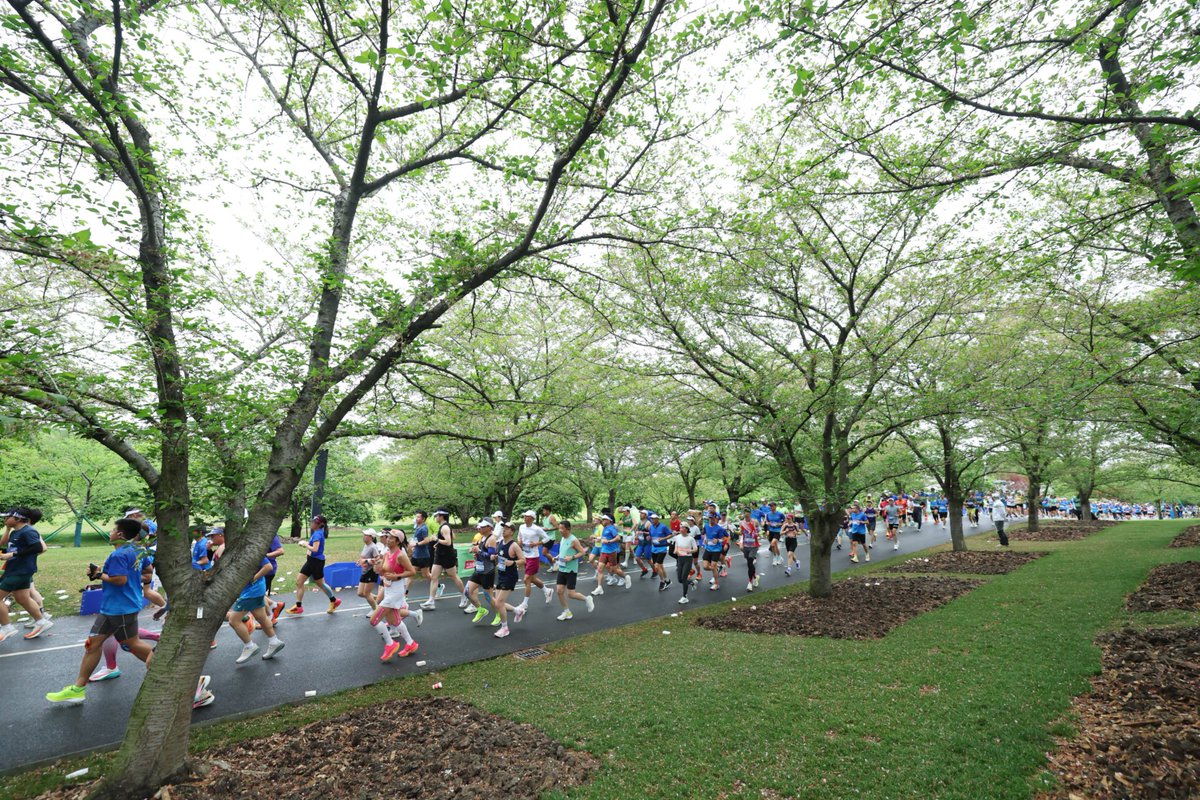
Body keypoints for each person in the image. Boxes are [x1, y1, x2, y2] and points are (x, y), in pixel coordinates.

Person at [46, 519, 155, 705]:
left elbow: (119, 579)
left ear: (120, 534)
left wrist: (98, 575)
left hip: (120, 608)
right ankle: (78, 689)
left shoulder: (119, 554)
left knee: (132, 645)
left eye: (113, 529)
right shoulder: (138, 550)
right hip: (115, 607)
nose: (110, 532)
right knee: (93, 645)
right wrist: (112, 575)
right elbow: (147, 571)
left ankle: (175, 673)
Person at [0, 507, 53, 641]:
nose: (5, 519)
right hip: (16, 570)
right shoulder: (14, 533)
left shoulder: (28, 531)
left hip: (20, 571)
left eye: (8, 517)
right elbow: (14, 549)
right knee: (22, 599)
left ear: (17, 518)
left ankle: (6, 627)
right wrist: (6, 554)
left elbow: (38, 547)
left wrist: (12, 554)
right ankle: (41, 622)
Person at [373, 529, 421, 660]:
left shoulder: (400, 555)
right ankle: (411, 644)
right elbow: (383, 570)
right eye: (387, 537)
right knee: (394, 621)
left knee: (374, 620)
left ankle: (390, 644)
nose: (387, 539)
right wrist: (375, 565)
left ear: (398, 541)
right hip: (388, 588)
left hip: (396, 591)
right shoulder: (387, 553)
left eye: (391, 538)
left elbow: (412, 571)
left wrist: (397, 575)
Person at [228, 557, 286, 663]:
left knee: (233, 620)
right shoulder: (238, 549)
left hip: (251, 592)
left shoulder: (250, 548)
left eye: (213, 538)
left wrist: (253, 578)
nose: (212, 539)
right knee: (261, 617)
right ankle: (274, 642)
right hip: (256, 589)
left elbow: (268, 566)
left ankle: (249, 646)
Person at [287, 515, 340, 615]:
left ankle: (334, 601)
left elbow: (315, 549)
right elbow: (314, 547)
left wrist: (305, 544)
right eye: (312, 521)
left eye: (314, 522)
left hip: (316, 562)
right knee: (299, 582)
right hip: (311, 561)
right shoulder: (317, 533)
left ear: (320, 524)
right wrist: (305, 543)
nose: (312, 523)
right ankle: (298, 607)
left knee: (321, 584)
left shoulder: (317, 535)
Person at [422, 510, 467, 611]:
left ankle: (464, 596)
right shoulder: (444, 526)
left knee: (453, 576)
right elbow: (452, 536)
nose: (435, 518)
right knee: (434, 577)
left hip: (447, 555)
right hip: (439, 555)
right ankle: (431, 601)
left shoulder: (445, 527)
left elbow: (448, 541)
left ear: (441, 516)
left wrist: (436, 539)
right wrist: (438, 544)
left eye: (436, 516)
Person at [553, 521, 594, 619]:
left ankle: (587, 599)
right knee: (559, 591)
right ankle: (567, 612)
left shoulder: (574, 540)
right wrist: (557, 557)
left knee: (571, 594)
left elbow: (582, 552)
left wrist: (572, 558)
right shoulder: (563, 538)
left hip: (571, 570)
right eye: (559, 528)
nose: (560, 530)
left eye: (561, 528)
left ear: (567, 529)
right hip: (562, 568)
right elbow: (563, 551)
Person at [492, 521, 526, 638]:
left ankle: (505, 628)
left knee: (499, 603)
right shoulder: (501, 542)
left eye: (506, 528)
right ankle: (518, 611)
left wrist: (512, 562)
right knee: (497, 603)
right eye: (503, 528)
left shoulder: (514, 545)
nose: (504, 530)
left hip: (510, 577)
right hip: (501, 575)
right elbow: (500, 555)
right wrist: (495, 557)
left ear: (511, 531)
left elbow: (523, 560)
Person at [515, 510, 554, 614]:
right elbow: (519, 536)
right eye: (524, 516)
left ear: (532, 518)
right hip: (525, 555)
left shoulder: (537, 529)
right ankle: (547, 591)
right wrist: (519, 541)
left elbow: (547, 538)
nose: (525, 518)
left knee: (526, 579)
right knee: (532, 579)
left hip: (533, 556)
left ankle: (525, 603)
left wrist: (537, 543)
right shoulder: (521, 527)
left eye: (527, 516)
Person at [465, 520, 499, 622]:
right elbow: (482, 552)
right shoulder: (482, 537)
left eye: (482, 527)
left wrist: (478, 551)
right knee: (467, 592)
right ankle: (481, 610)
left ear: (489, 528)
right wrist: (476, 552)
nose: (479, 529)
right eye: (479, 527)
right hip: (479, 569)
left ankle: (499, 614)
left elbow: (492, 557)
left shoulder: (492, 539)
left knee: (488, 597)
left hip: (487, 571)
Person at [591, 513, 630, 595]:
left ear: (609, 521)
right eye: (603, 519)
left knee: (614, 570)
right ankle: (599, 588)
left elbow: (618, 538)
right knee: (600, 569)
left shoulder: (611, 528)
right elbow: (604, 538)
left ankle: (625, 577)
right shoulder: (605, 528)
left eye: (604, 519)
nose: (603, 520)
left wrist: (608, 541)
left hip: (612, 552)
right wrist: (596, 538)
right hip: (604, 551)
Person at [410, 511, 441, 598]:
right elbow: (417, 539)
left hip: (423, 555)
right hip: (416, 554)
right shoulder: (417, 527)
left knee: (426, 574)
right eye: (416, 517)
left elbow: (426, 540)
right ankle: (405, 594)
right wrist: (414, 546)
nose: (416, 518)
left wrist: (416, 544)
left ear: (423, 519)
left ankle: (439, 586)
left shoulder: (424, 528)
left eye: (418, 517)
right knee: (411, 574)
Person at [356, 529, 385, 611]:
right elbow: (364, 557)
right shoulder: (366, 545)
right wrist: (360, 561)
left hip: (371, 572)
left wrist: (366, 561)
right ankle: (377, 598)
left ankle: (376, 611)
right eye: (364, 534)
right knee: (360, 593)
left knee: (366, 593)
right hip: (365, 571)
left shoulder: (373, 547)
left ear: (371, 537)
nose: (364, 536)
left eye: (366, 535)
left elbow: (377, 560)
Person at [672, 523, 698, 604]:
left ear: (686, 529)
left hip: (688, 559)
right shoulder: (677, 537)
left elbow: (695, 549)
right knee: (680, 579)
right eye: (680, 527)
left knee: (683, 578)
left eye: (682, 527)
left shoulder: (691, 539)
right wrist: (675, 550)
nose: (680, 529)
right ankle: (691, 582)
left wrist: (690, 551)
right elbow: (676, 545)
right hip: (680, 559)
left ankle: (685, 597)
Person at [701, 514, 728, 590]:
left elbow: (726, 537)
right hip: (708, 549)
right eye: (709, 518)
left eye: (712, 518)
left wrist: (718, 540)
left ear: (716, 519)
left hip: (716, 550)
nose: (710, 520)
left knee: (713, 566)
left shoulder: (719, 529)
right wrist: (705, 538)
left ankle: (716, 584)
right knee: (705, 567)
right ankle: (718, 568)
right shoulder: (706, 526)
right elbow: (704, 533)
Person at [648, 512, 673, 591]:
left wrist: (663, 539)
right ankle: (667, 580)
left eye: (654, 518)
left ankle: (662, 582)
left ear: (657, 519)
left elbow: (670, 534)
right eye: (651, 518)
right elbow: (651, 536)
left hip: (662, 548)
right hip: (654, 548)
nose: (652, 520)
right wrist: (649, 538)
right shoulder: (651, 527)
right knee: (660, 566)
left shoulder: (663, 526)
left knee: (657, 566)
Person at [739, 510, 760, 592]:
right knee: (749, 564)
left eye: (747, 512)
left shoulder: (755, 522)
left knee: (750, 562)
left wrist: (757, 533)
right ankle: (755, 576)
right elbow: (742, 533)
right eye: (745, 512)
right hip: (746, 545)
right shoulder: (742, 523)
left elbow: (759, 531)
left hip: (754, 545)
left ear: (750, 514)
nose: (746, 514)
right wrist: (741, 543)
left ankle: (749, 583)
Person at [764, 502, 785, 566]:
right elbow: (767, 521)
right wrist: (768, 524)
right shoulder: (768, 514)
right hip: (771, 530)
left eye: (772, 506)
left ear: (775, 506)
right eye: (770, 506)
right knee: (775, 546)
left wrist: (779, 524)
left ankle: (775, 558)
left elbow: (785, 521)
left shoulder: (780, 514)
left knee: (773, 544)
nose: (771, 507)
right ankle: (779, 558)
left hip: (777, 531)